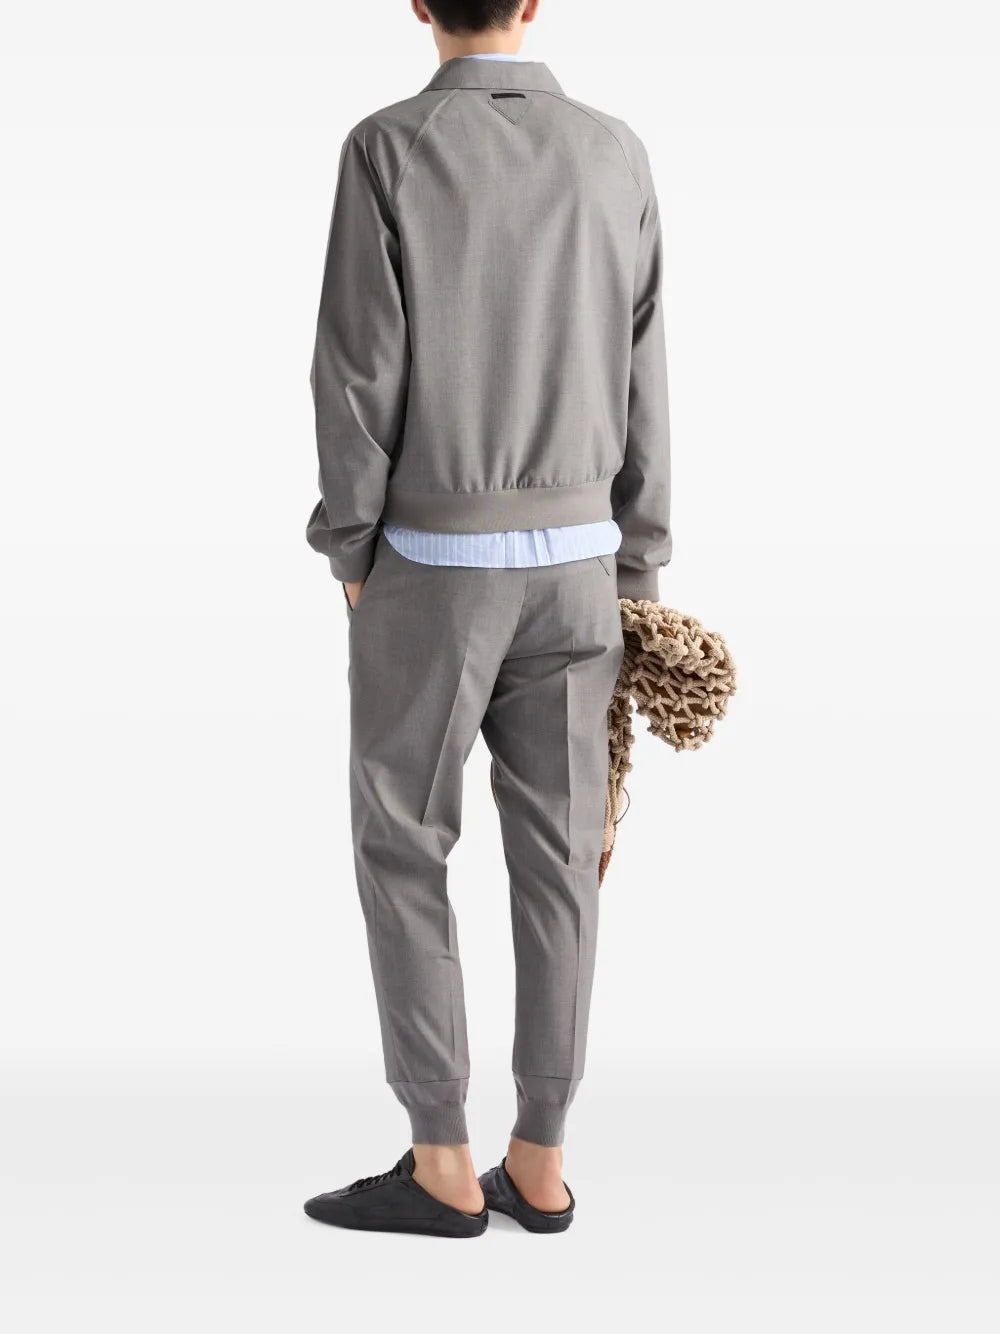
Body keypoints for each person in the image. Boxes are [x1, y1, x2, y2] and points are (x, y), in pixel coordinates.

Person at [303, 0, 671, 1238]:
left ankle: (441, 1158)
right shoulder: (615, 151)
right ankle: (542, 1158)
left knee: (404, 841)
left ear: (419, 4)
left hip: (430, 559)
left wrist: (351, 543)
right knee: (564, 857)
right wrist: (639, 570)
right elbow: (644, 372)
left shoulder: (386, 147)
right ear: (534, 3)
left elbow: (357, 366)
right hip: (582, 566)